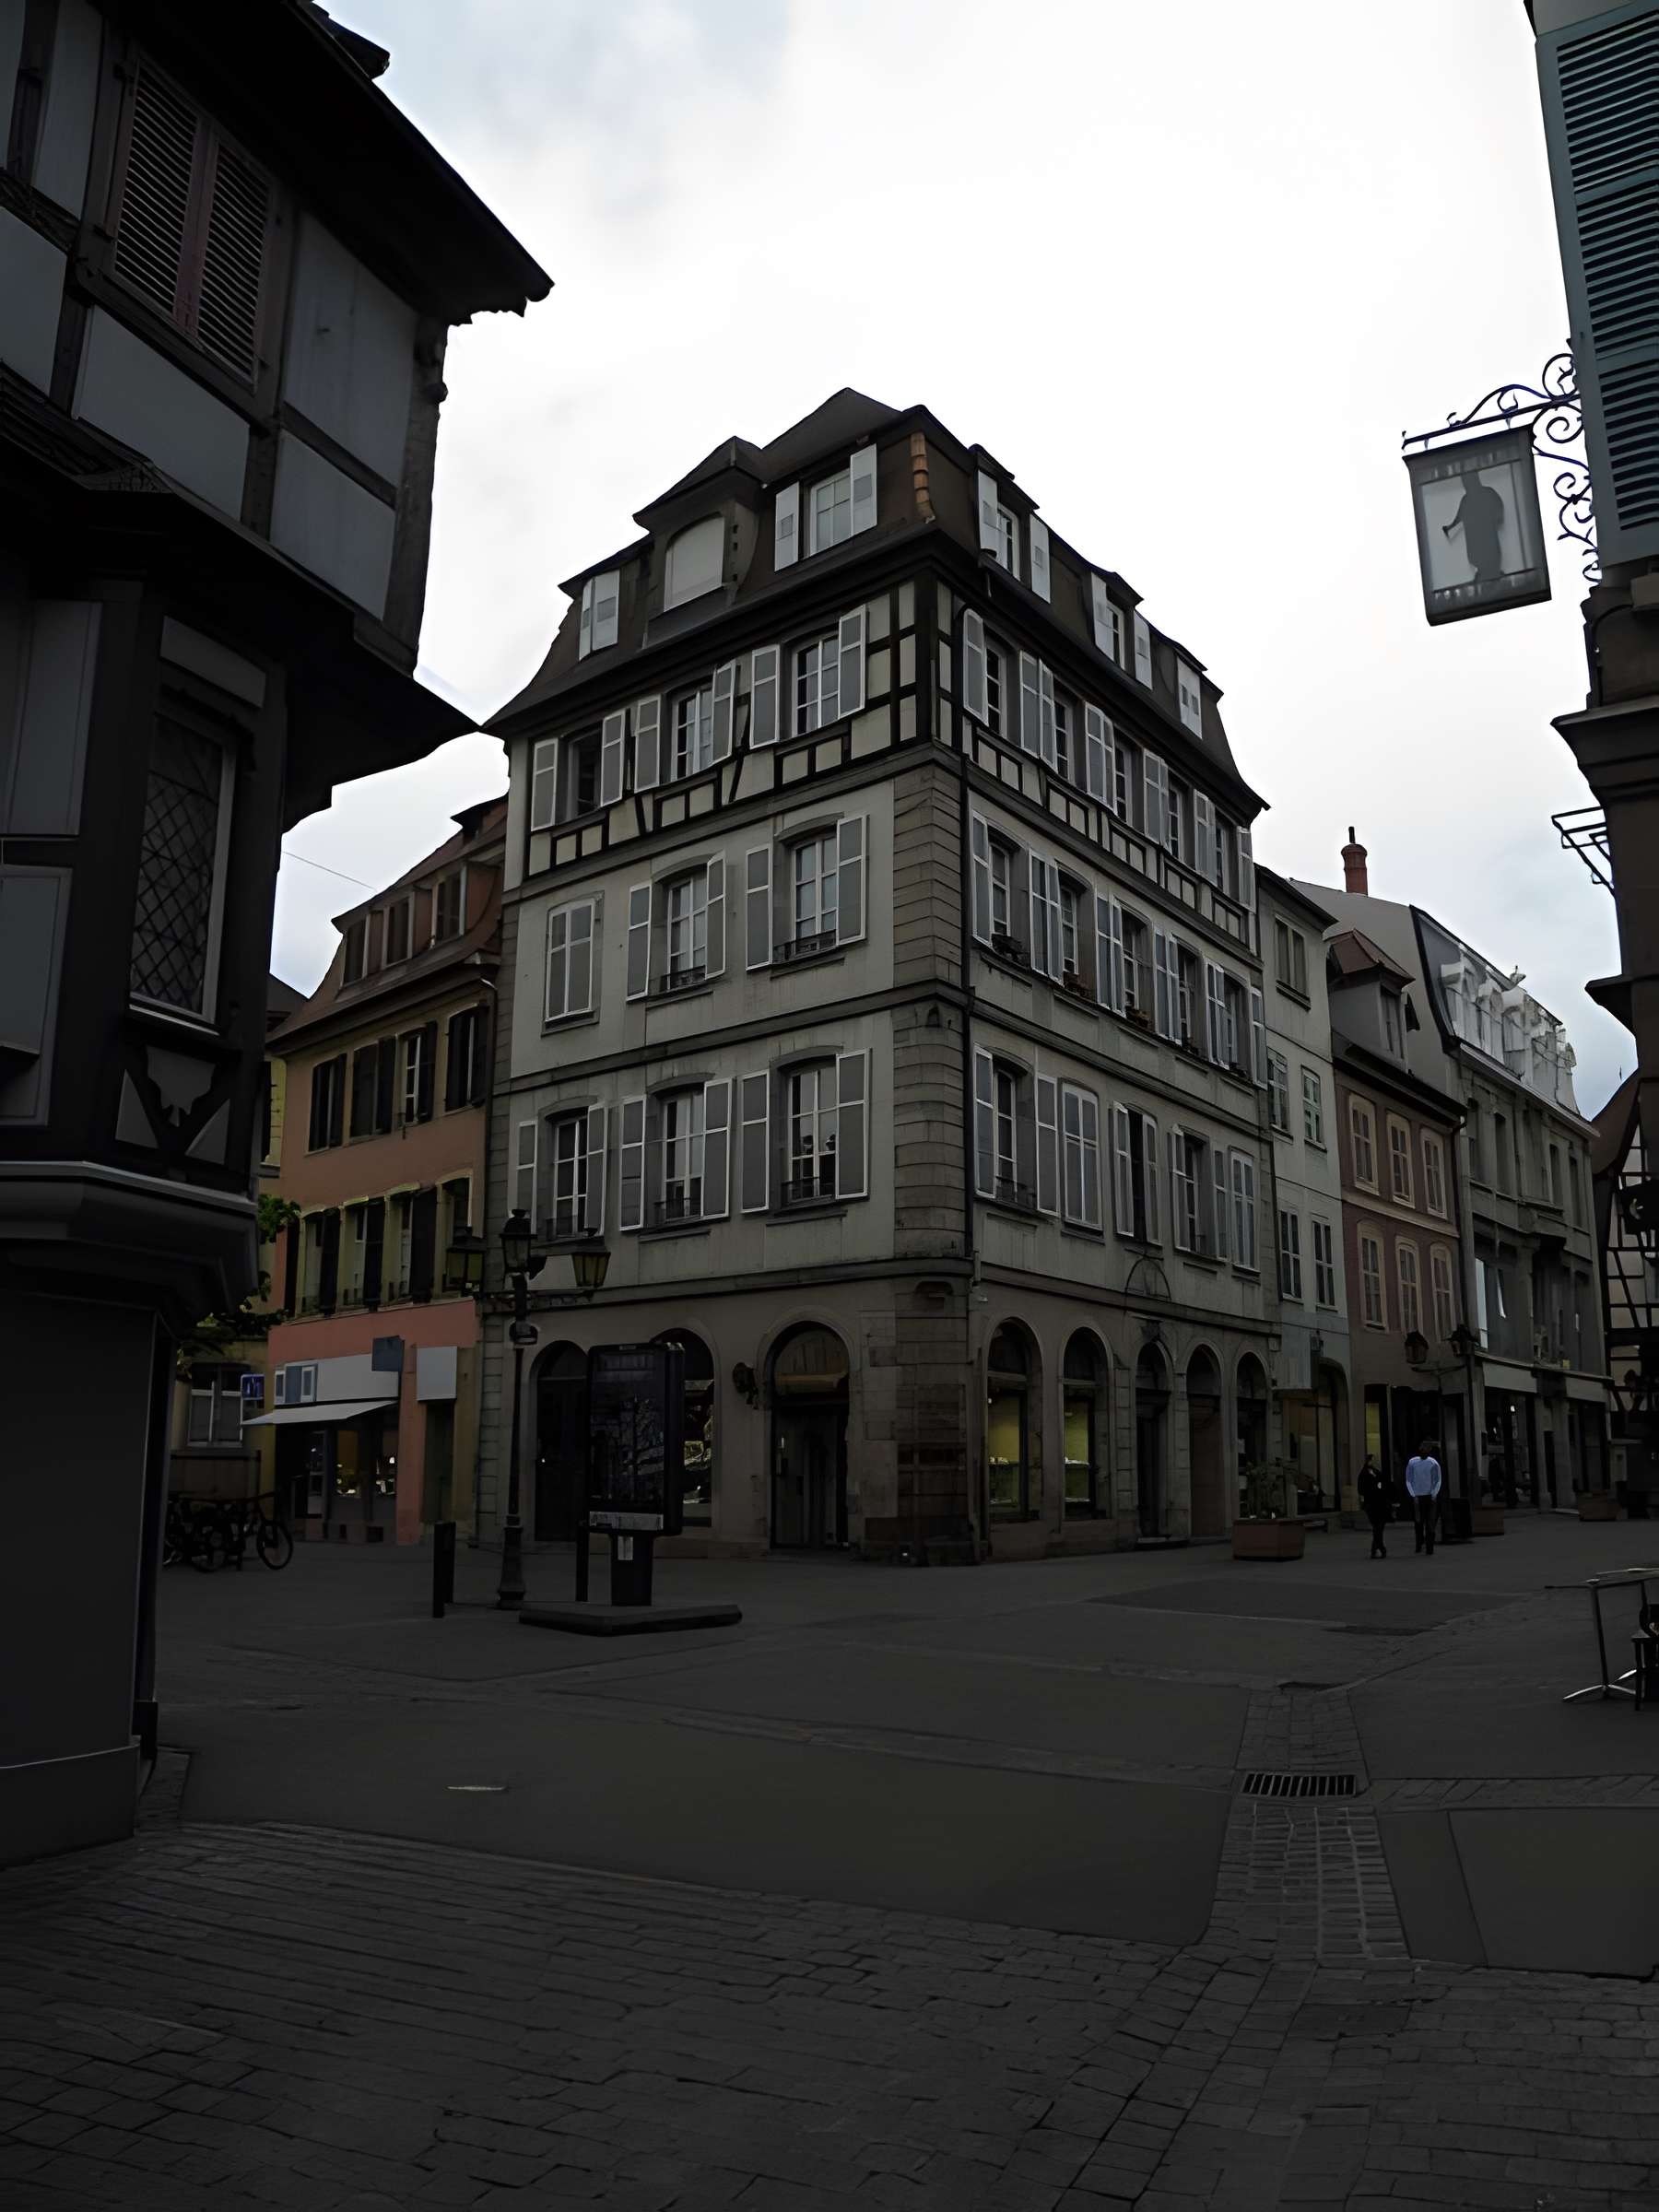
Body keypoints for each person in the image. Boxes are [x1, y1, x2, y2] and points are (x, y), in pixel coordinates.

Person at [1404, 1438, 1443, 1555]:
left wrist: (1433, 1494)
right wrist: (1414, 1495)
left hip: (1425, 1496)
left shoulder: (1431, 1463)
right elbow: (1409, 1480)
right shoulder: (1414, 1462)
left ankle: (1425, 1546)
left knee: (1425, 1522)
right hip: (1421, 1496)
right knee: (1421, 1522)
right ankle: (1422, 1544)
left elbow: (1437, 1480)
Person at [1358, 1453, 1391, 1559]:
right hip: (1372, 1503)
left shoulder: (1377, 1473)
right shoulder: (1364, 1474)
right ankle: (1380, 1547)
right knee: (1378, 1526)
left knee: (1378, 1527)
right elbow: (1361, 1489)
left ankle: (1377, 1548)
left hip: (1380, 1503)